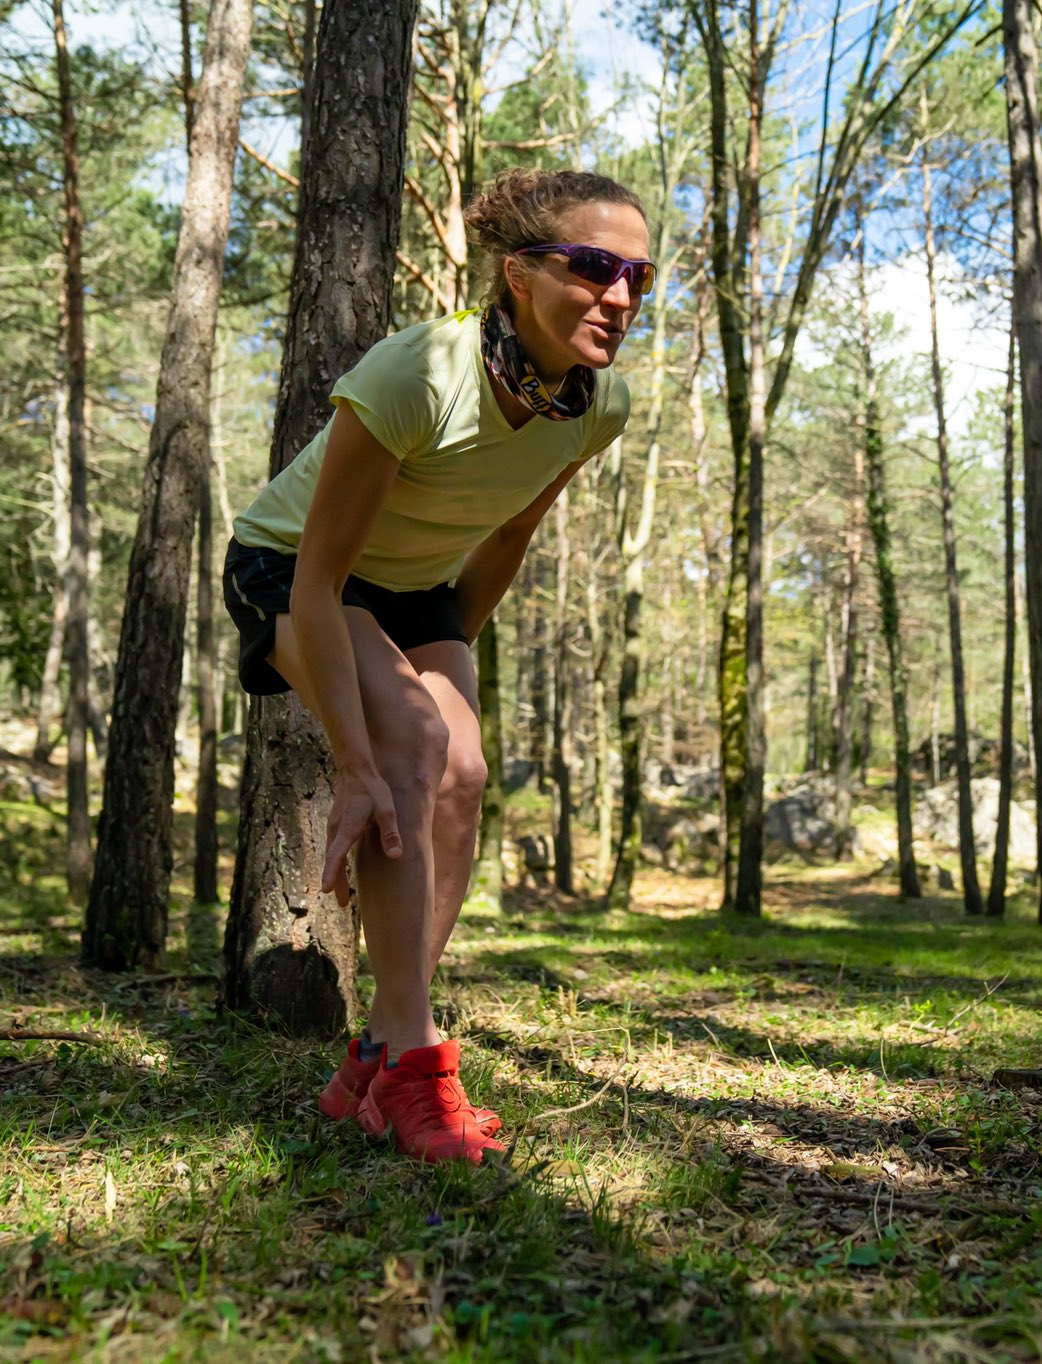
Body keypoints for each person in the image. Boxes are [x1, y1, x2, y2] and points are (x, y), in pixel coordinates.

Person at [222, 168, 652, 1164]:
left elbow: (507, 535)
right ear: (519, 275)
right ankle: (418, 1072)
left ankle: (379, 1052)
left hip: (419, 588)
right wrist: (359, 759)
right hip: (293, 567)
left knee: (460, 770)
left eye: (638, 276)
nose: (620, 297)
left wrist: (447, 666)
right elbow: (318, 579)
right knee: (412, 747)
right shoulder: (416, 374)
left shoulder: (597, 407)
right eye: (594, 267)